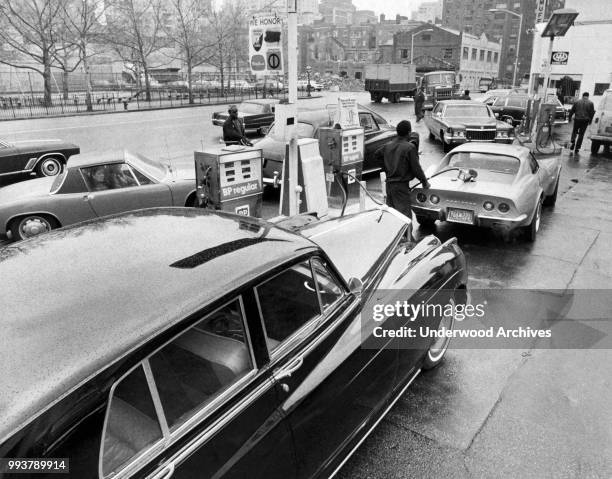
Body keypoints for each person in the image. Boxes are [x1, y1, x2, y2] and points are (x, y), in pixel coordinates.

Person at [374, 120, 430, 218]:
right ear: (409, 133)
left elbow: (377, 155)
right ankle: (407, 234)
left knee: (392, 215)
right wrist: (424, 182)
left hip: (389, 186)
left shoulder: (388, 145)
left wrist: (386, 168)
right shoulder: (410, 148)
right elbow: (417, 169)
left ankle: (396, 233)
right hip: (401, 187)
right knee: (404, 216)